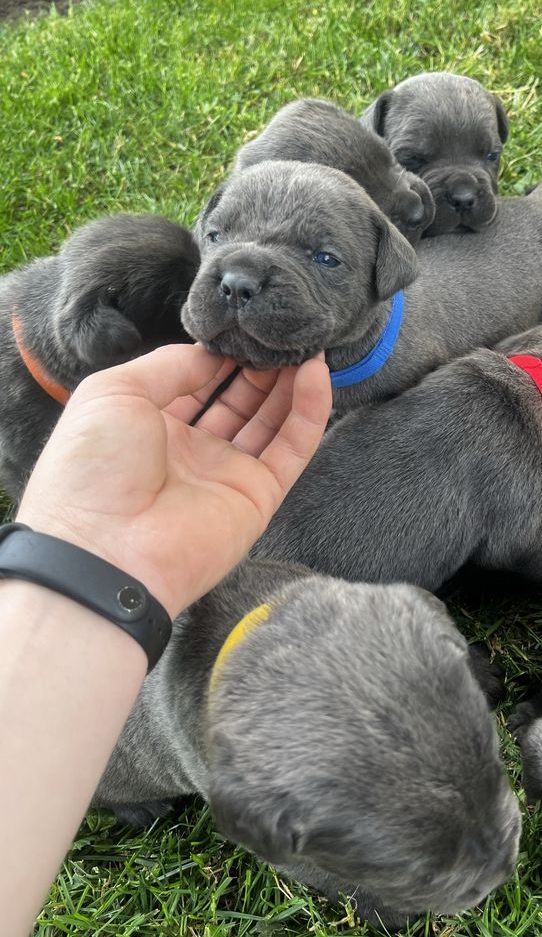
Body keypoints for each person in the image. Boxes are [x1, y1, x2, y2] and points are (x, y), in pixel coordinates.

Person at [0, 343, 332, 937]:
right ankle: (122, 797)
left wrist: (85, 550)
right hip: (111, 763)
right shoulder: (231, 759)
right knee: (125, 784)